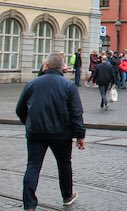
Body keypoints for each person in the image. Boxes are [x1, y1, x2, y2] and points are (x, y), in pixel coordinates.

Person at [16, 53, 85, 210]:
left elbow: (19, 109)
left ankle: (29, 205)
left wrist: (29, 123)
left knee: (33, 166)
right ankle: (67, 196)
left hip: (36, 133)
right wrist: (80, 135)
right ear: (62, 68)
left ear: (45, 66)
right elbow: (76, 113)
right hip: (61, 134)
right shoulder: (68, 85)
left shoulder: (32, 84)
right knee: (64, 164)